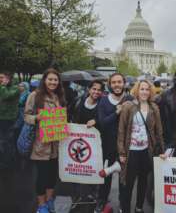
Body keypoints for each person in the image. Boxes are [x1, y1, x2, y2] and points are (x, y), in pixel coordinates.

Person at [118, 80, 164, 213]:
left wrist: (161, 150)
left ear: (150, 92)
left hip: (147, 151)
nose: (144, 92)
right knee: (128, 183)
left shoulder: (154, 107)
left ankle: (139, 207)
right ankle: (125, 209)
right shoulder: (128, 106)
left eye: (147, 89)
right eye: (142, 89)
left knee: (143, 182)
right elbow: (122, 130)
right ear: (137, 90)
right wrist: (121, 152)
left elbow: (159, 131)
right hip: (131, 151)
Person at [24, 68, 66, 213]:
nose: (53, 82)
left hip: (56, 145)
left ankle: (49, 201)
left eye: (55, 80)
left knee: (52, 177)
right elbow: (26, 116)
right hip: (40, 145)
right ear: (44, 80)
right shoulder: (34, 96)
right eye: (50, 79)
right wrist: (36, 118)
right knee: (41, 177)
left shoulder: (59, 97)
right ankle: (41, 205)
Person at [96, 73, 133, 213]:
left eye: (119, 82)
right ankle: (102, 202)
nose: (117, 85)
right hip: (107, 146)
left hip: (125, 147)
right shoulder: (104, 101)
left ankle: (123, 204)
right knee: (106, 177)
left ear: (124, 83)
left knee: (124, 178)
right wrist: (116, 113)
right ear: (110, 85)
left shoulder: (130, 99)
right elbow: (102, 123)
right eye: (114, 82)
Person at [71, 79, 104, 204]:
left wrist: (96, 120)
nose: (96, 92)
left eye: (99, 90)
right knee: (76, 165)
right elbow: (70, 115)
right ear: (89, 89)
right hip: (78, 140)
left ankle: (92, 192)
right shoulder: (78, 101)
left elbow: (105, 118)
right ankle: (76, 194)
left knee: (94, 166)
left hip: (95, 142)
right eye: (94, 89)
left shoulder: (102, 103)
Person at [0, 71, 20, 169]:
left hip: (8, 119)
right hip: (2, 117)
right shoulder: (2, 88)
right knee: (4, 140)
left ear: (8, 79)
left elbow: (6, 96)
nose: (0, 80)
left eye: (2, 77)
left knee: (7, 140)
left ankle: (8, 162)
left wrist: (3, 86)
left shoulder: (15, 88)